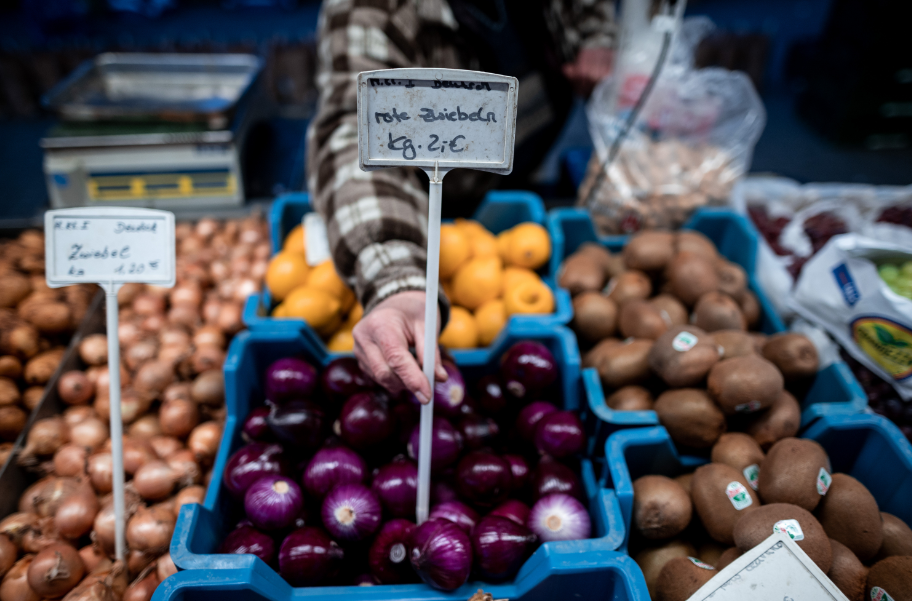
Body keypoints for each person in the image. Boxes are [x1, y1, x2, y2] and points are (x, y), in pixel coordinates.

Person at [306, 0, 616, 403]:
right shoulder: (369, 6)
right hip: (416, 198)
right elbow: (357, 134)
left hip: (521, 154)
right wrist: (398, 281)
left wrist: (593, 35)